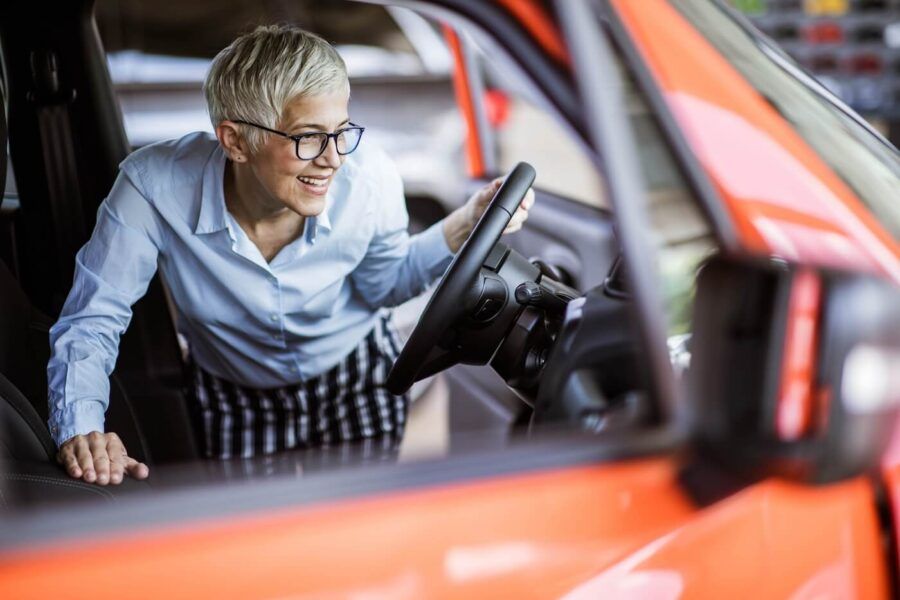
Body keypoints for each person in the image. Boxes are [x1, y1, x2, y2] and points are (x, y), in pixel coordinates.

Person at [47, 25, 533, 485]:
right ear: (235, 140)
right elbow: (94, 317)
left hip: (355, 375)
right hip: (234, 393)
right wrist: (80, 425)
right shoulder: (152, 186)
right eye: (307, 137)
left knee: (354, 529)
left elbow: (383, 286)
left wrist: (465, 222)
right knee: (260, 542)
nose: (334, 158)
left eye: (341, 131)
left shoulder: (370, 179)